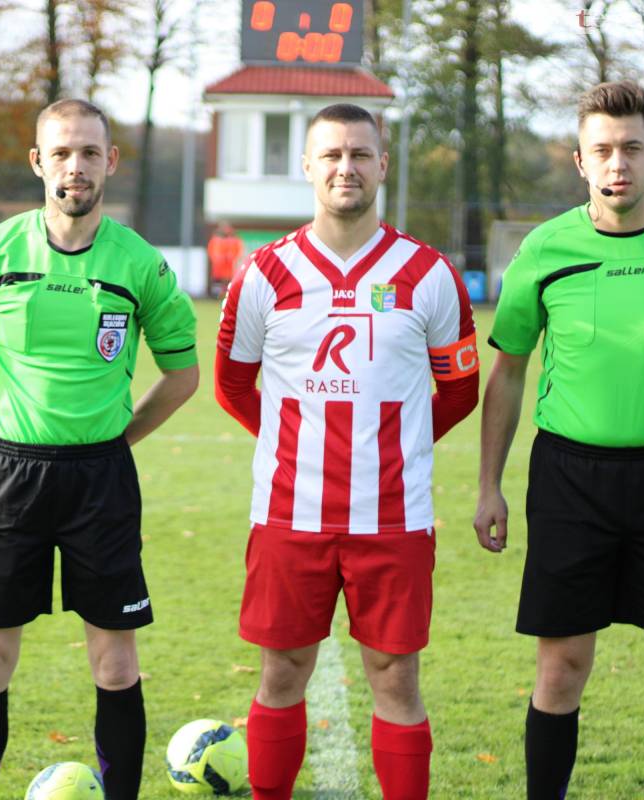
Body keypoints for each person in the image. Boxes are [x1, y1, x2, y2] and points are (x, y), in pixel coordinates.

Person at [0, 98, 199, 800]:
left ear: (110, 162)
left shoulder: (139, 263)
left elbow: (183, 375)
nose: (74, 166)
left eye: (88, 152)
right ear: (37, 162)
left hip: (101, 480)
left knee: (115, 664)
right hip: (11, 475)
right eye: (60, 153)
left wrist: (119, 440)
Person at [215, 103, 479, 799]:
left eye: (360, 154)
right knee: (281, 673)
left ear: (383, 166)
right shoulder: (262, 273)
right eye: (331, 154)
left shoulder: (428, 274)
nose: (346, 167)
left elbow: (459, 391)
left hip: (392, 519)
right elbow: (233, 386)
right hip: (289, 514)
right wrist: (294, 444)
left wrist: (398, 446)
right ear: (307, 166)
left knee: (397, 678)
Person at [473, 79, 644, 799]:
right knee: (562, 670)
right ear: (581, 161)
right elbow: (508, 373)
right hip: (570, 481)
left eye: (632, 149)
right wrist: (489, 487)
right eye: (603, 150)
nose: (618, 163)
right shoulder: (545, 249)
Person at [207, 220, 244, 298]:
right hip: (218, 266)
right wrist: (218, 258)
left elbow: (238, 251)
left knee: (228, 280)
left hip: (229, 266)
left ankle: (228, 295)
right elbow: (212, 251)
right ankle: (216, 296)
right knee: (218, 281)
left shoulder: (235, 240)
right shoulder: (215, 239)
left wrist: (231, 257)